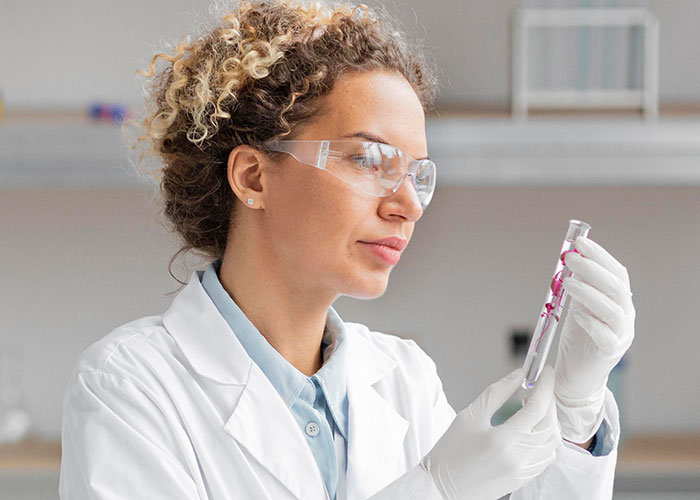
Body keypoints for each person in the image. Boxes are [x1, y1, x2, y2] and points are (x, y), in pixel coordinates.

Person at [59, 1, 636, 499]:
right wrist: (435, 489)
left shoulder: (402, 378)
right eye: (368, 159)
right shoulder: (130, 387)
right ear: (254, 178)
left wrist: (576, 414)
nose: (408, 204)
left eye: (419, 174)